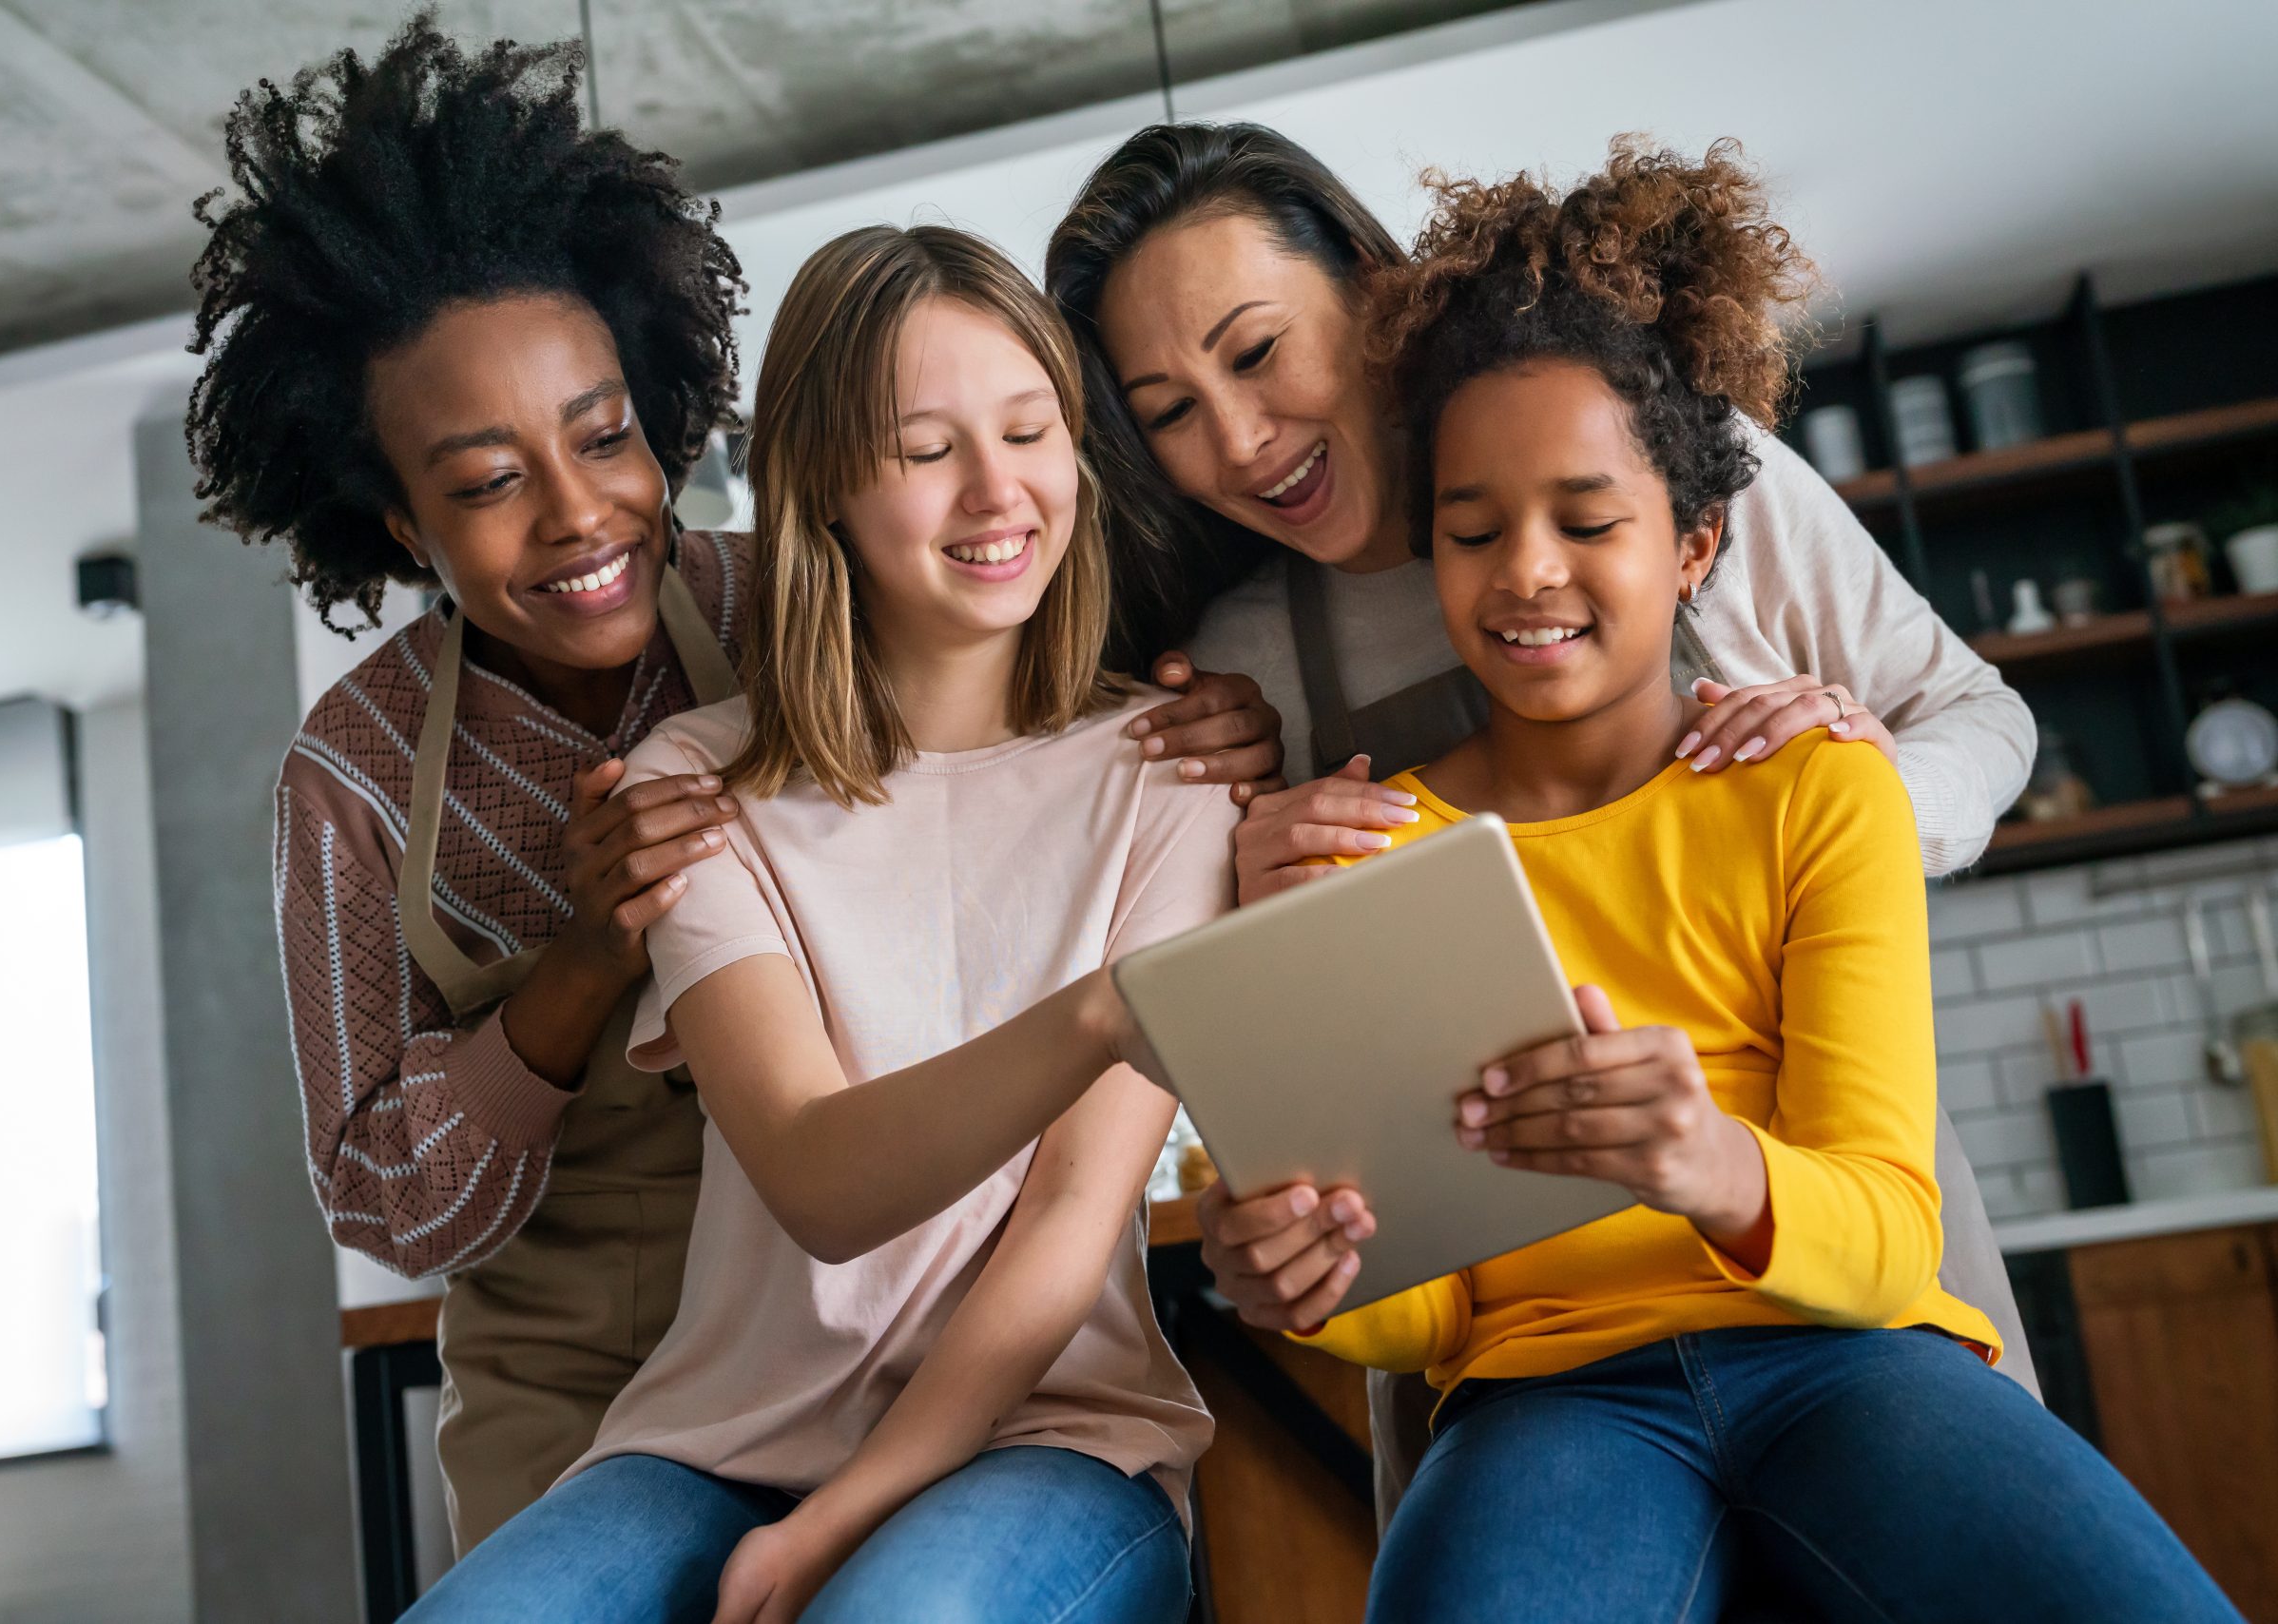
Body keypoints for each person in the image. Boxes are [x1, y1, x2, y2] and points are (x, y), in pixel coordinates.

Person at [187, 22, 1276, 1554]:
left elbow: (1019, 664)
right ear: (392, 518)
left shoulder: (806, 593)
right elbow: (385, 1206)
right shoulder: (353, 780)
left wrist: (1218, 710)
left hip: (942, 1326)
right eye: (490, 484)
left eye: (605, 436)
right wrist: (584, 965)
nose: (581, 516)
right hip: (603, 1386)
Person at [1210, 141, 2239, 1624]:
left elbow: (1890, 1227)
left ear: (1693, 545)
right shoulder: (1368, 855)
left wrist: (1709, 1163)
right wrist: (1313, 1272)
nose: (1526, 576)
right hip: (1540, 1401)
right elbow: (1425, 1303)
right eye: (1474, 531)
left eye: (1588, 520)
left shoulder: (1820, 787)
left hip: (1850, 1357)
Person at [1045, 122, 2042, 1492]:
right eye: (1166, 411)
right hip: (1514, 1346)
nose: (1237, 438)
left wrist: (1853, 790)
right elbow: (1287, 1035)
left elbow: (1985, 720)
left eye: (1258, 352)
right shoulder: (1250, 648)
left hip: (1813, 1235)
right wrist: (1243, 881)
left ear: (1365, 287)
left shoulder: (1674, 467)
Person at [407, 224, 1226, 1624]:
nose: (997, 490)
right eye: (925, 450)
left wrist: (845, 1518)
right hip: (722, 1444)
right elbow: (822, 1182)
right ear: (826, 489)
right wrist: (1100, 1012)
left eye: (1030, 431)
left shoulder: (1177, 775)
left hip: (1054, 1433)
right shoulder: (696, 785)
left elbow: (1069, 1226)